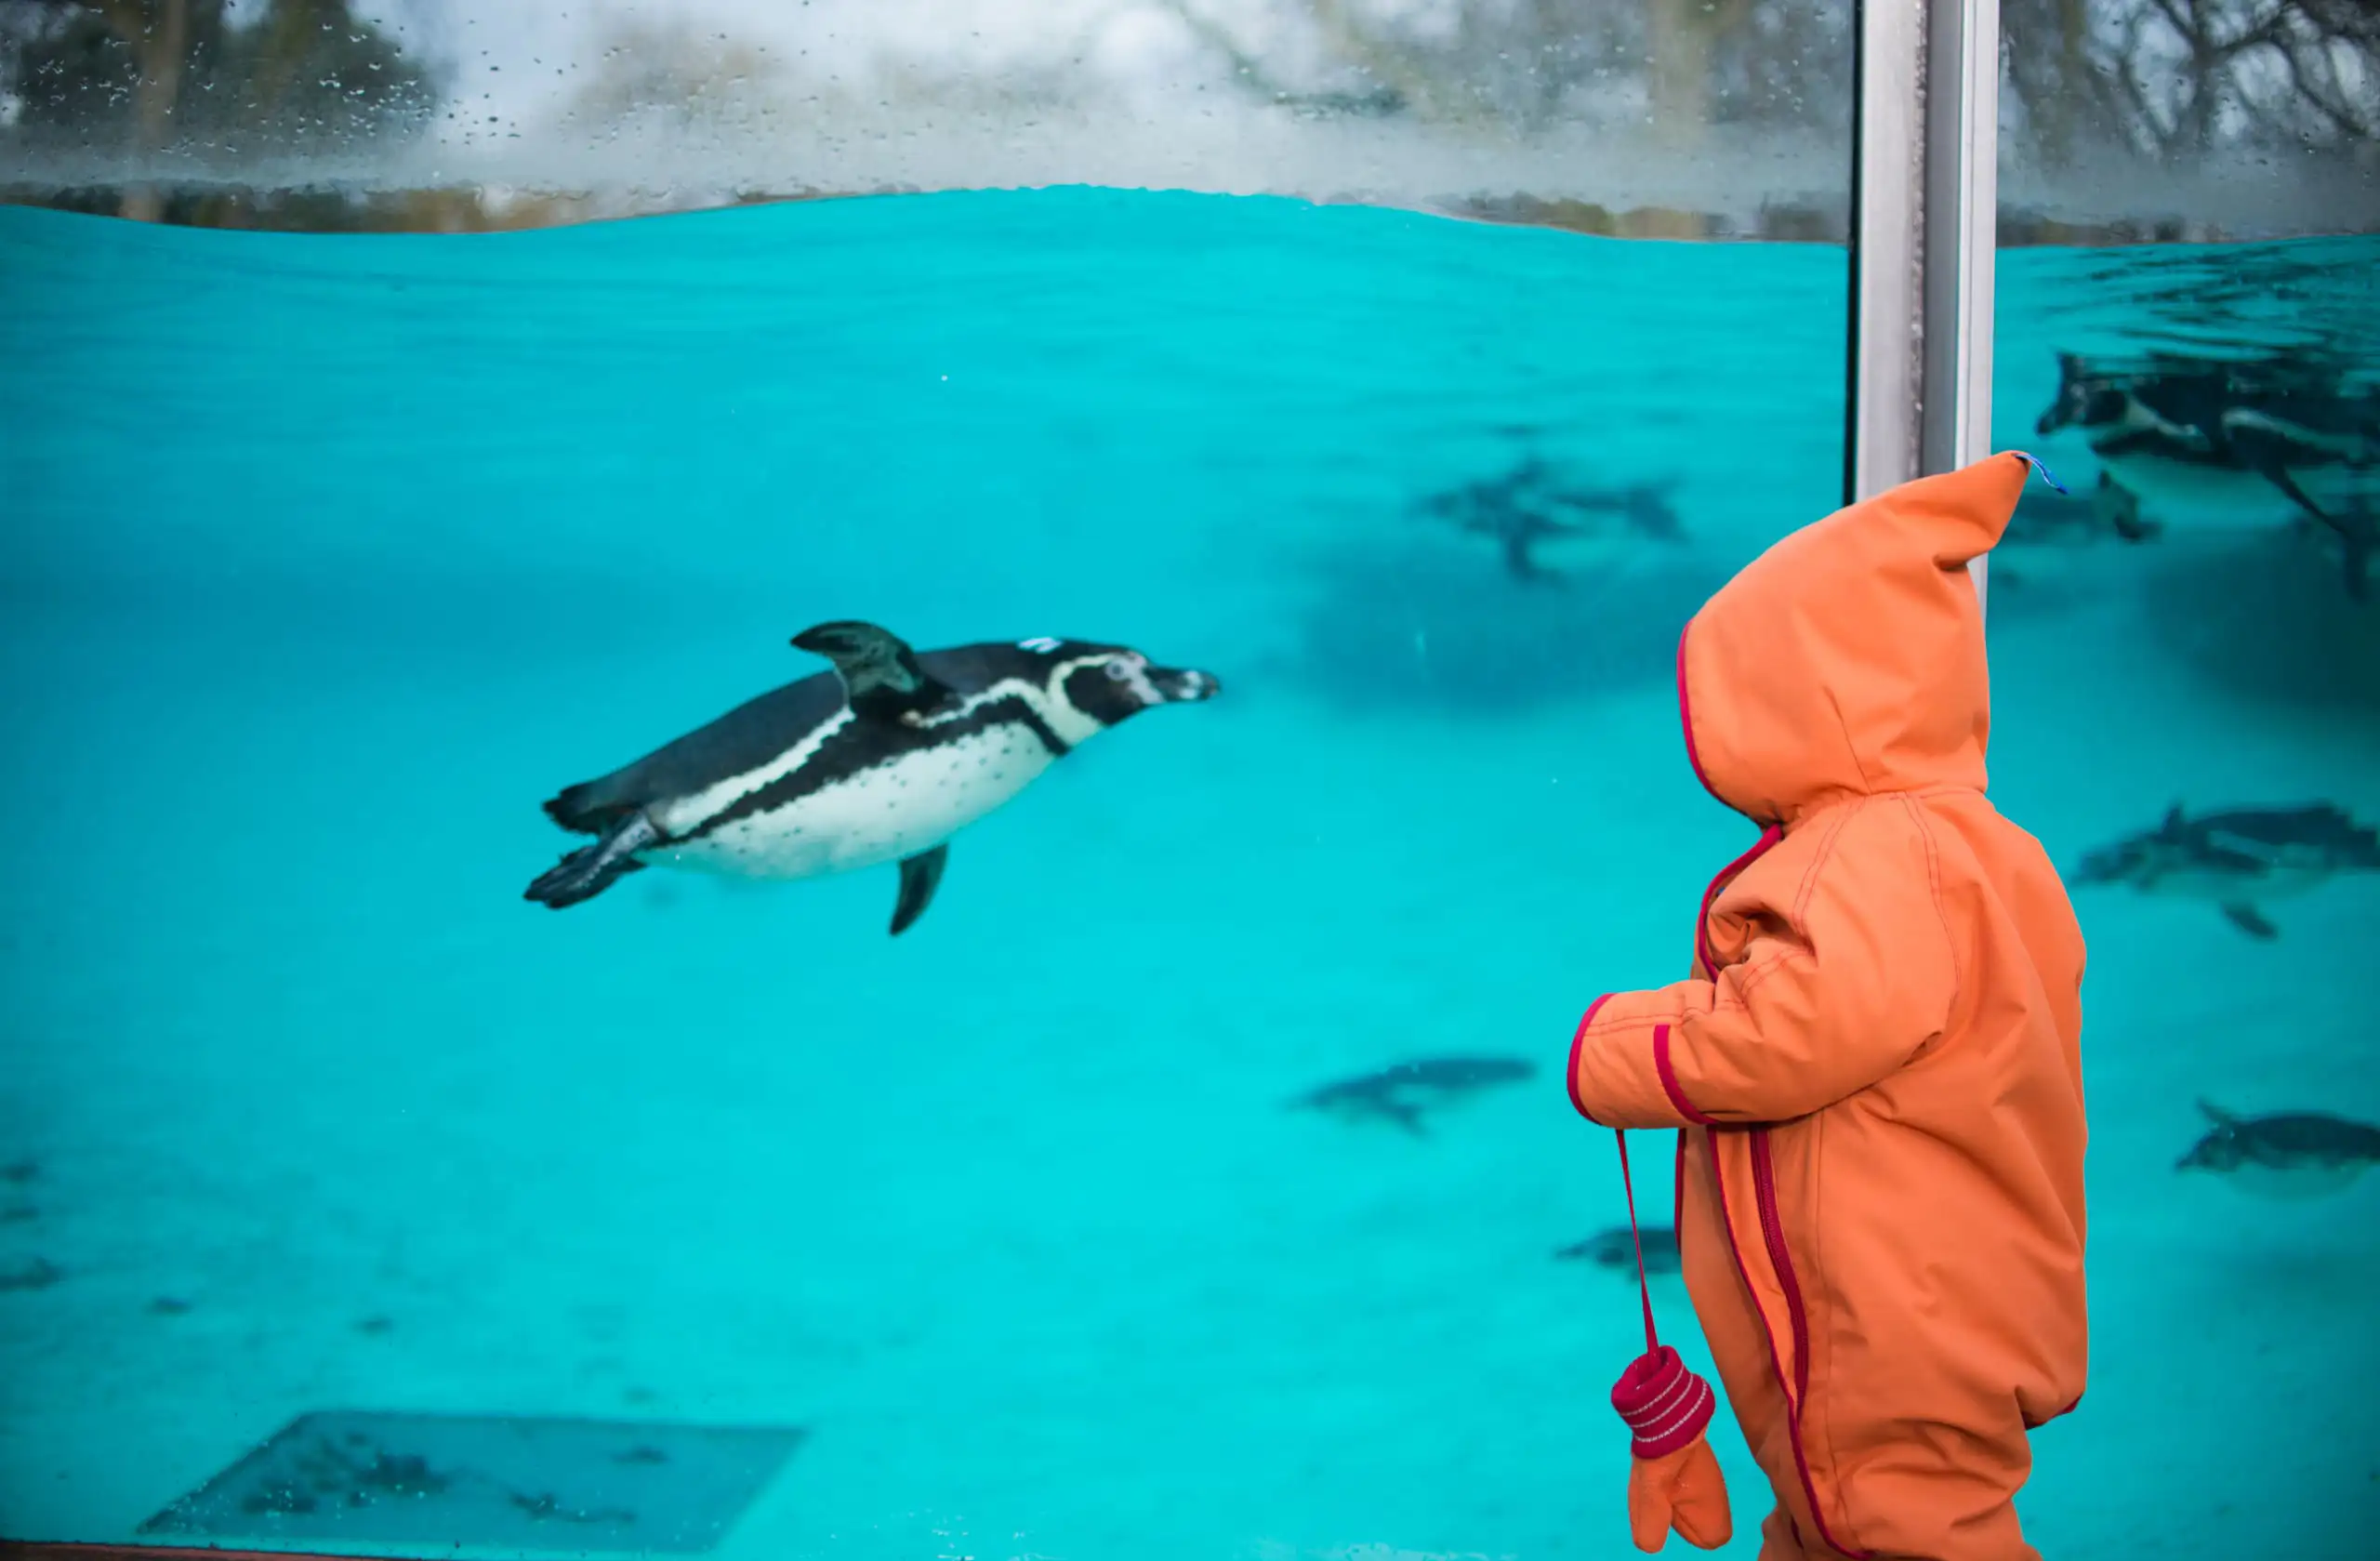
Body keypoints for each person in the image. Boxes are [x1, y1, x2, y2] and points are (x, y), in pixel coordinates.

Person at [1566, 452, 2089, 1560]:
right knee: (1834, 1520)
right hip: (1936, 1285)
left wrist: (1618, 1043)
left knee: (1887, 1525)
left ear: (1809, 690)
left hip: (1888, 1311)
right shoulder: (1976, 844)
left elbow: (1798, 1032)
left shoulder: (1872, 849)